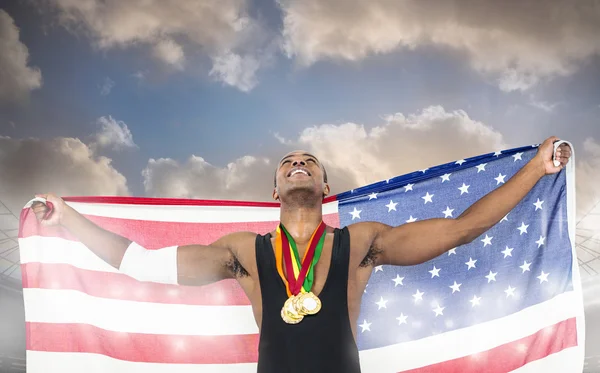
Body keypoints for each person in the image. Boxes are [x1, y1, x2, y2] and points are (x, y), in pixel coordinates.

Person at [31, 136, 571, 373]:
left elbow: (462, 229)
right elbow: (142, 264)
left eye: (309, 161)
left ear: (324, 182)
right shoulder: (243, 251)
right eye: (288, 162)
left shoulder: (360, 243)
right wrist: (68, 217)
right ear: (274, 189)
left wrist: (536, 168)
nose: (298, 164)